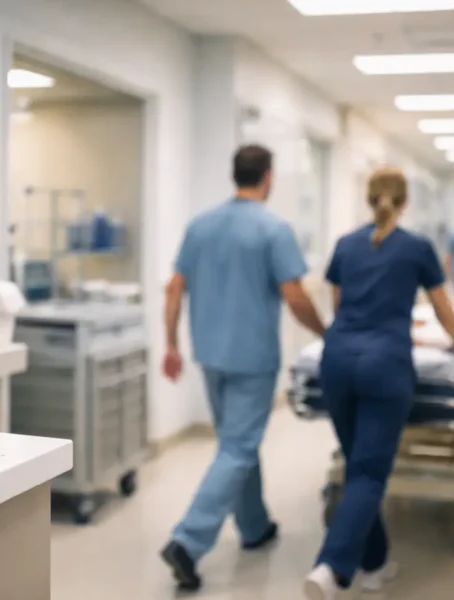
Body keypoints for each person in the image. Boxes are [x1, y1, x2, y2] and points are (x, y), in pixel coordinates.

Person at [161, 144, 327, 592]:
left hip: (210, 355)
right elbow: (294, 296)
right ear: (267, 177)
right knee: (237, 447)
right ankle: (187, 541)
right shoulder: (274, 229)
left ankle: (254, 526)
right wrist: (327, 333)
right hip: (252, 359)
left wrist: (171, 344)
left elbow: (174, 289)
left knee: (237, 443)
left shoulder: (200, 226)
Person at [304, 167, 454, 599]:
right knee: (369, 473)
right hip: (384, 368)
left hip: (337, 361)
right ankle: (332, 568)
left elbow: (342, 307)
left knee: (358, 465)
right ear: (405, 201)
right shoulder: (416, 247)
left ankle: (374, 565)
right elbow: (441, 305)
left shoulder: (345, 245)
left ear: (369, 199)